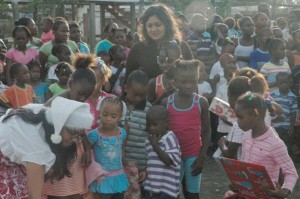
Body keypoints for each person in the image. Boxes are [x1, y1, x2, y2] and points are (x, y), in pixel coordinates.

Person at [0, 96, 93, 199]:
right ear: (58, 125)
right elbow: (34, 196)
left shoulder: (48, 115)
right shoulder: (38, 150)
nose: (76, 140)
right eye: (73, 133)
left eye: (79, 135)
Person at [44, 53, 97, 199]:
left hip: (75, 156)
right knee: (59, 192)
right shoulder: (57, 102)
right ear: (70, 84)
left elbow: (82, 130)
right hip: (58, 156)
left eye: (86, 96)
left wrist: (86, 149)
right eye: (80, 94)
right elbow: (44, 125)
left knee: (76, 192)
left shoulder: (80, 102)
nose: (82, 99)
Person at [161, 60, 211, 199]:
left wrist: (202, 157)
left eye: (193, 82)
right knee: (173, 194)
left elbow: (207, 131)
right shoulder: (167, 103)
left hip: (193, 156)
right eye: (184, 82)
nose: (189, 86)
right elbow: (161, 132)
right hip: (173, 157)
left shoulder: (201, 102)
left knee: (192, 194)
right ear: (174, 82)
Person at [235, 93, 298, 198]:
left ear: (256, 114)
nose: (237, 122)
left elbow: (291, 173)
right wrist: (239, 183)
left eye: (240, 117)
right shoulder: (246, 136)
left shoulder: (275, 144)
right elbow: (244, 166)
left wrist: (284, 191)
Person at [126, 4, 192, 80]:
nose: (154, 29)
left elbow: (192, 76)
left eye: (158, 25)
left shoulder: (182, 47)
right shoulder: (137, 49)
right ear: (145, 27)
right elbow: (128, 81)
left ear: (167, 24)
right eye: (149, 26)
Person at [87, 96, 129, 198]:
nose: (108, 119)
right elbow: (87, 150)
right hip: (102, 177)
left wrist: (123, 158)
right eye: (105, 114)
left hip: (118, 175)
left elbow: (121, 148)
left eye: (113, 116)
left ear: (120, 117)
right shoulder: (94, 134)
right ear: (99, 113)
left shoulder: (122, 133)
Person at [123, 70, 152, 198]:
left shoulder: (149, 110)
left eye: (142, 96)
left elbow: (151, 139)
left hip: (141, 168)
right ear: (126, 89)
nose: (138, 99)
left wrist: (147, 167)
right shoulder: (116, 107)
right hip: (120, 166)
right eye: (135, 95)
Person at [143, 105, 181, 199]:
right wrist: (145, 171)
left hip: (168, 188)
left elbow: (169, 161)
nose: (151, 128)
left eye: (155, 125)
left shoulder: (170, 138)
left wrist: (155, 146)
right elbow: (150, 160)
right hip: (153, 186)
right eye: (149, 124)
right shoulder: (149, 139)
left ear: (166, 123)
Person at [270, 72, 297, 152]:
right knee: (274, 146)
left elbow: (293, 113)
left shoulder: (293, 97)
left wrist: (292, 127)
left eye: (286, 82)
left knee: (286, 147)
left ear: (290, 82)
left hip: (286, 127)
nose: (284, 84)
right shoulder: (272, 95)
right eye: (281, 83)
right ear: (277, 83)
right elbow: (270, 110)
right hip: (274, 126)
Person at [86, 57, 112, 130]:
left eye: (95, 82)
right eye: (88, 81)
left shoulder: (109, 100)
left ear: (103, 80)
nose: (91, 85)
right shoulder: (81, 100)